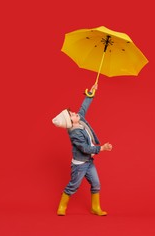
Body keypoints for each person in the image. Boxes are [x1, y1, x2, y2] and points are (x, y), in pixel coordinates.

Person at [52, 84, 112, 216]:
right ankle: (62, 206)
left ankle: (95, 208)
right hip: (80, 165)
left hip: (89, 161)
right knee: (73, 186)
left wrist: (91, 93)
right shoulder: (74, 134)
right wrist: (101, 148)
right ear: (70, 122)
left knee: (96, 184)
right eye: (71, 114)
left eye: (72, 112)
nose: (75, 113)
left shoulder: (79, 119)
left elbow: (83, 107)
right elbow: (85, 148)